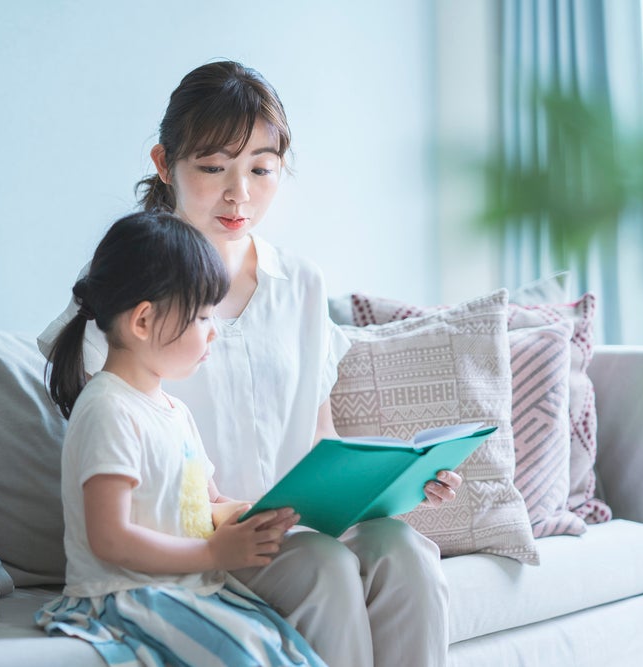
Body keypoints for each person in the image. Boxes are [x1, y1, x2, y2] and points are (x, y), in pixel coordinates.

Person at [39, 61, 462, 667]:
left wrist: (396, 482)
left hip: (298, 523)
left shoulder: (303, 283)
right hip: (206, 541)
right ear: (165, 164)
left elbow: (322, 439)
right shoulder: (132, 296)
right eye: (213, 168)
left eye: (261, 169)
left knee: (405, 549)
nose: (240, 194)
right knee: (324, 566)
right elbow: (115, 465)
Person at [37, 210, 326, 666]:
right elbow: (109, 538)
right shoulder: (108, 408)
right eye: (203, 317)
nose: (214, 332)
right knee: (249, 655)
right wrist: (213, 551)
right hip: (125, 593)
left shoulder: (175, 412)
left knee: (290, 650)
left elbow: (206, 505)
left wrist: (248, 514)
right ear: (144, 321)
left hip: (187, 586)